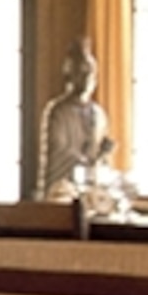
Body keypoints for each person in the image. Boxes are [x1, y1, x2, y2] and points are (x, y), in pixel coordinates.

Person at [39, 36, 110, 196]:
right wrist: (83, 162)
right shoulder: (58, 110)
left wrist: (102, 152)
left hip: (90, 189)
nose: (86, 79)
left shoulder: (98, 114)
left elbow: (98, 156)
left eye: (90, 74)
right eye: (81, 73)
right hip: (61, 189)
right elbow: (60, 150)